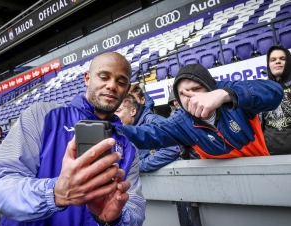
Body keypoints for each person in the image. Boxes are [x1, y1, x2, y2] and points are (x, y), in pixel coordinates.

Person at [0, 52, 146, 226]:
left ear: (126, 92)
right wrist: (55, 193)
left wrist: (112, 220)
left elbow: (134, 217)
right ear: (87, 78)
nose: (112, 85)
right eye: (104, 76)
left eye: (121, 81)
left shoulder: (128, 149)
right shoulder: (41, 115)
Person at [117, 64, 284, 159]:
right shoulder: (181, 122)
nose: (190, 97)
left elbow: (274, 92)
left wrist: (224, 95)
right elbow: (148, 134)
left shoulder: (230, 95)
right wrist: (110, 131)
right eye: (182, 93)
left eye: (196, 88)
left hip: (263, 170)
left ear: (211, 88)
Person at [115, 94, 180, 172]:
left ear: (133, 111)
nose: (114, 116)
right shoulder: (122, 130)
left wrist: (136, 167)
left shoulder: (154, 121)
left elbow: (171, 150)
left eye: (117, 111)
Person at [262, 46, 291, 155]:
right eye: (273, 60)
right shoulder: (263, 89)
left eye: (282, 59)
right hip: (269, 153)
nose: (277, 61)